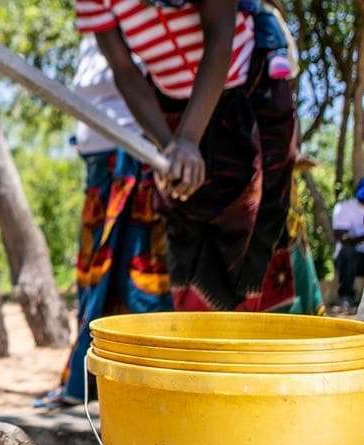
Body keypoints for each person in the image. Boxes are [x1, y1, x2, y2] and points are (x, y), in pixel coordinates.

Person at [75, 0, 321, 314]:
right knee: (188, 238)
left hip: (246, 95)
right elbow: (125, 72)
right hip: (172, 111)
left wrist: (188, 140)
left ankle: (269, 351)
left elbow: (221, 36)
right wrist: (169, 146)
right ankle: (204, 352)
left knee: (257, 237)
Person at [36, 37, 173, 409]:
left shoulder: (142, 20)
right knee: (94, 278)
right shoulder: (92, 33)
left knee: (138, 276)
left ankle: (153, 386)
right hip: (99, 167)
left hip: (137, 160)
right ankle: (88, 383)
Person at [333, 180, 364, 310]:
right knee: (349, 251)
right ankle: (345, 296)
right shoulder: (344, 207)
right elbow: (342, 238)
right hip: (346, 258)